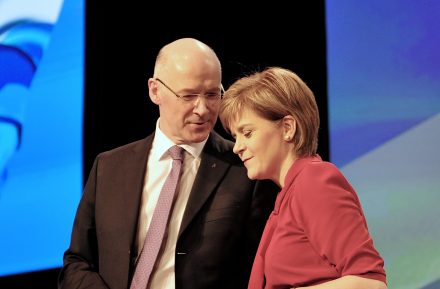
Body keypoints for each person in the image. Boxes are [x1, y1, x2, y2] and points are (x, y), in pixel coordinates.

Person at [58, 38, 278, 289]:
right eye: (189, 95)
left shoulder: (246, 170)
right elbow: (77, 263)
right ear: (155, 91)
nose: (203, 109)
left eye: (212, 94)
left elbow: (261, 272)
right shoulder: (109, 168)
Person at [219, 67, 388, 289]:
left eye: (247, 133)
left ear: (287, 128)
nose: (237, 147)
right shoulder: (289, 193)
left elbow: (370, 282)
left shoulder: (315, 181)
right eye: (235, 136)